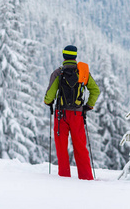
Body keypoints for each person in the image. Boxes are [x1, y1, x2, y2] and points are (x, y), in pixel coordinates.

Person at [44, 45, 100, 180]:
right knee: (80, 147)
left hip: (61, 115)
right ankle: (86, 178)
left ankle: (64, 178)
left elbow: (49, 97)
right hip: (77, 115)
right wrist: (88, 106)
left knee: (62, 148)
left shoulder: (58, 73)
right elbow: (95, 90)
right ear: (75, 57)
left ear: (64, 57)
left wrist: (48, 102)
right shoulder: (82, 72)